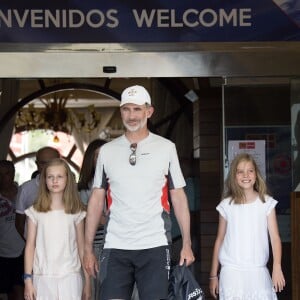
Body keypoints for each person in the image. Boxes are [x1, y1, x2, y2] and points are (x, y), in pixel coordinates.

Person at [84, 85, 195, 300]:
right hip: (115, 245)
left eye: (137, 109)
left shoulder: (166, 147)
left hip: (154, 243)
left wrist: (187, 244)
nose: (132, 115)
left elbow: (179, 198)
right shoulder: (107, 151)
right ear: (121, 111)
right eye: (126, 109)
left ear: (149, 111)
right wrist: (88, 249)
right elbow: (96, 200)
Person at [209, 153, 286, 299]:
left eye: (250, 170)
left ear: (256, 174)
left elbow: (275, 238)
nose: (246, 175)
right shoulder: (227, 205)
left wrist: (277, 266)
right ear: (234, 176)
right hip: (231, 273)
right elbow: (219, 240)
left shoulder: (266, 203)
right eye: (240, 171)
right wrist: (213, 275)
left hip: (258, 272)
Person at [23, 158, 90, 300]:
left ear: (68, 180)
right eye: (50, 177)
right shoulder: (35, 211)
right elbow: (30, 246)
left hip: (71, 277)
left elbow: (81, 247)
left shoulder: (76, 211)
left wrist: (88, 282)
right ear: (44, 180)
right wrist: (28, 279)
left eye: (59, 176)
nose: (55, 181)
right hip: (42, 278)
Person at [78, 138, 107, 300]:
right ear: (91, 159)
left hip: (117, 245)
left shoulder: (116, 183)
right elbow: (84, 221)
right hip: (94, 246)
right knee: (92, 292)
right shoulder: (84, 188)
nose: (102, 159)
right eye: (97, 156)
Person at [15, 146, 60, 239]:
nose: (48, 167)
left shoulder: (71, 188)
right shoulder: (26, 189)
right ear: (37, 164)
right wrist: (31, 245)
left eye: (52, 162)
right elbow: (19, 224)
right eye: (43, 163)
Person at [0, 160, 24, 300]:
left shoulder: (23, 193)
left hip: (23, 250)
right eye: (0, 175)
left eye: (7, 174)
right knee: (10, 293)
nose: (4, 178)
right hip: (3, 253)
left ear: (13, 174)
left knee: (21, 290)